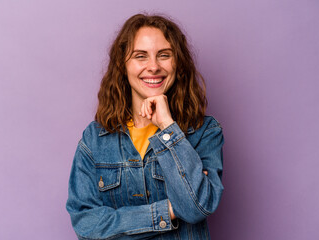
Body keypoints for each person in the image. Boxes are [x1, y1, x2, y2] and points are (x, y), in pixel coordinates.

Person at [66, 13, 224, 240]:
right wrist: (169, 210)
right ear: (123, 64)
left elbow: (195, 208)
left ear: (177, 64)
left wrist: (167, 127)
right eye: (141, 56)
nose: (153, 66)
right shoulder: (95, 139)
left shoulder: (204, 132)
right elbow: (86, 224)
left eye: (164, 55)